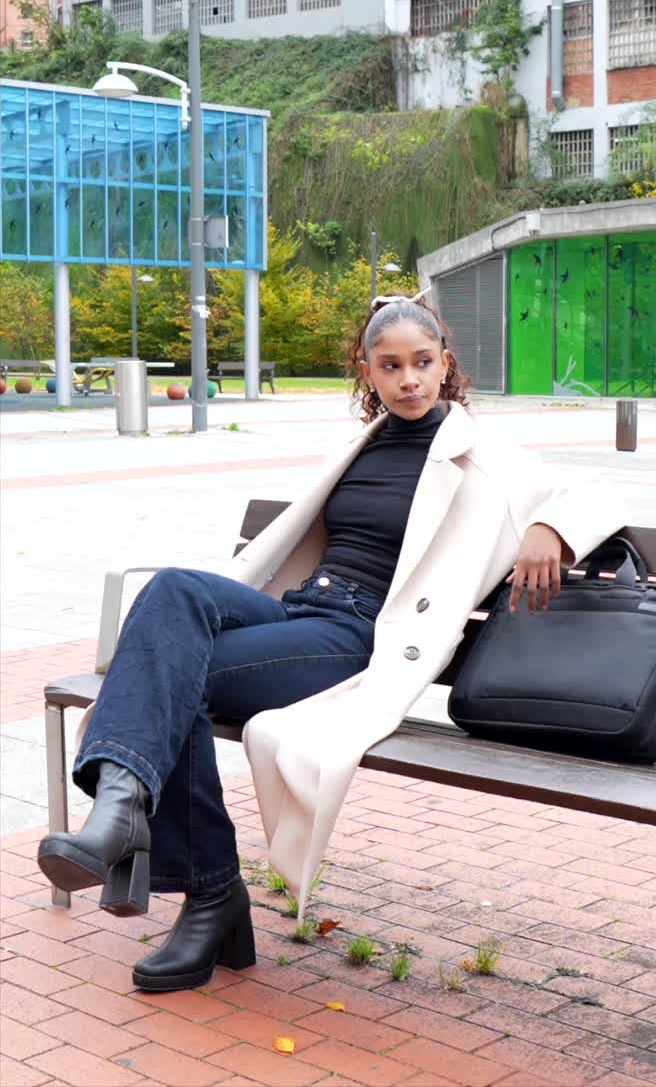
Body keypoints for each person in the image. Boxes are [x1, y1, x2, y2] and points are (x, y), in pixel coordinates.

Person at [37, 293, 625, 994]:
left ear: (446, 364)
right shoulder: (363, 443)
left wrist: (547, 530)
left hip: (355, 638)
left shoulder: (482, 455)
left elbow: (595, 492)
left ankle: (181, 870)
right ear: (367, 371)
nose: (409, 379)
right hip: (299, 611)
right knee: (173, 592)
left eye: (422, 363)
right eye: (391, 366)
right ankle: (133, 817)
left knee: (173, 679)